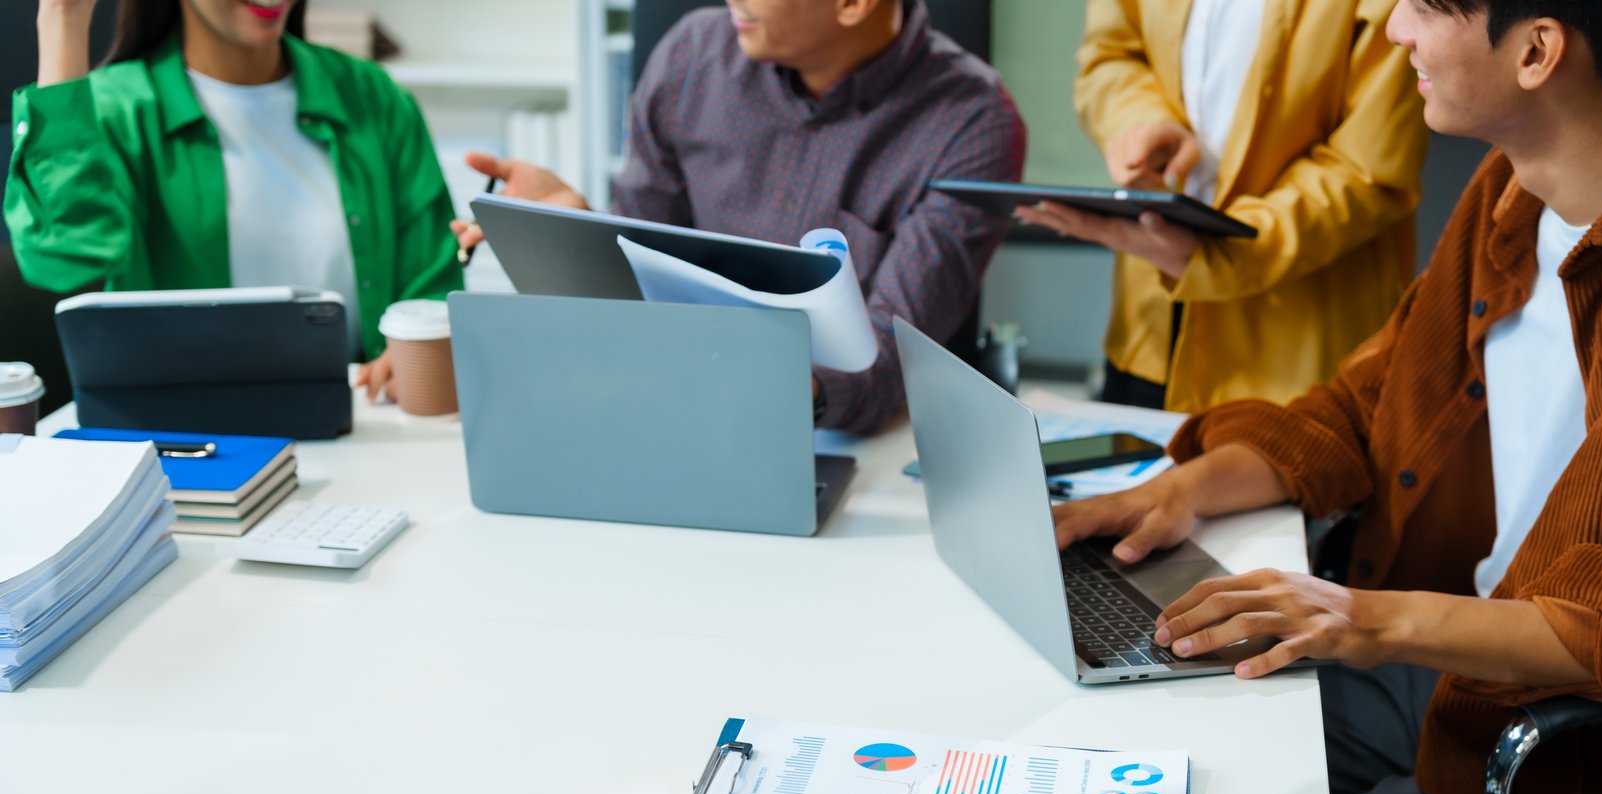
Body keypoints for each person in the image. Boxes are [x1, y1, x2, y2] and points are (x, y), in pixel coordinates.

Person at [1052, 0, 1602, 794]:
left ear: (1539, 50)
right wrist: (1188, 489)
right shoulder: (1512, 194)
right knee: (1145, 736)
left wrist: (1357, 617)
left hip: (1571, 771)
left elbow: (1601, 628)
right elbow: (1371, 404)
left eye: (1427, 9)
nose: (1394, 26)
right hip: (1450, 678)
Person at [401, 0, 1026, 435]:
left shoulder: (974, 122)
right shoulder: (693, 54)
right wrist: (580, 232)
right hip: (664, 409)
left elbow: (885, 361)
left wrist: (753, 380)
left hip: (838, 444)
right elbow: (643, 273)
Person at [5, 0, 461, 381]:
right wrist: (63, 18)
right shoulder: (112, 110)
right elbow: (62, 261)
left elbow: (433, 283)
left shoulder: (371, 95)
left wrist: (417, 354)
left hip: (365, 430)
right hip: (193, 441)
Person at [1017, 0, 1428, 412]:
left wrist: (1221, 251)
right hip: (1151, 332)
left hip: (1296, 353)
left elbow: (1369, 168)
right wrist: (1139, 122)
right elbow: (1111, 54)